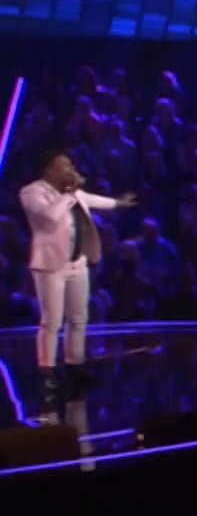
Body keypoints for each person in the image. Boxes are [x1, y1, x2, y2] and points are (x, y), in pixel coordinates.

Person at [16, 149, 136, 398]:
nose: (71, 169)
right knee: (52, 322)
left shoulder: (71, 192)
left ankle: (75, 367)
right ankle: (47, 373)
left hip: (77, 263)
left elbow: (93, 199)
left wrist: (118, 203)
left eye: (71, 165)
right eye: (65, 165)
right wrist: (70, 193)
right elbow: (50, 217)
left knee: (78, 318)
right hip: (51, 265)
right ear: (50, 170)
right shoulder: (31, 192)